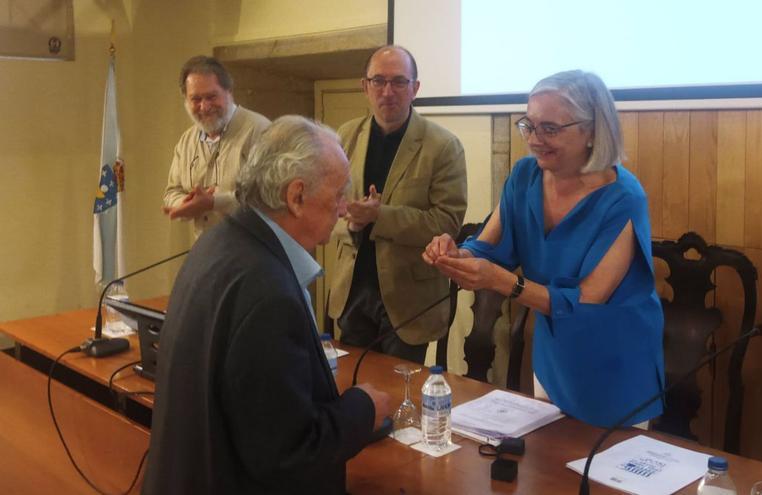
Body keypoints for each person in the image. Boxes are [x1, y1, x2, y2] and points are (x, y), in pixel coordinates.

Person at [144, 116, 392, 494]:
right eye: (339, 194)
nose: (344, 210)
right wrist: (363, 409)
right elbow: (289, 454)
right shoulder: (269, 293)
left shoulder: (217, 244)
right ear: (295, 197)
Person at [423, 70, 664, 428]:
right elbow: (486, 248)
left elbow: (586, 301)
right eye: (529, 125)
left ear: (592, 131)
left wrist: (503, 283)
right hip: (556, 352)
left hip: (615, 361)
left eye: (550, 128)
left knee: (603, 477)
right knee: (548, 465)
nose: (535, 139)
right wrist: (455, 255)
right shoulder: (525, 176)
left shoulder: (624, 199)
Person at [327, 45, 467, 364]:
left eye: (399, 82)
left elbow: (447, 222)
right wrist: (351, 222)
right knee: (351, 388)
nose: (388, 91)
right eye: (378, 81)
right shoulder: (344, 137)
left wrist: (379, 216)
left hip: (409, 300)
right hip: (352, 292)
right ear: (365, 86)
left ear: (415, 88)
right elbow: (324, 206)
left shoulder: (443, 146)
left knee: (400, 396)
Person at [162, 55, 270, 238]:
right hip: (208, 251)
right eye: (196, 99)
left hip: (253, 253)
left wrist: (215, 202)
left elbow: (271, 197)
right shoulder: (186, 141)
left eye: (211, 97)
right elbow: (172, 191)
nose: (204, 107)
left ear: (229, 92)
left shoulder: (260, 131)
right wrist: (186, 202)